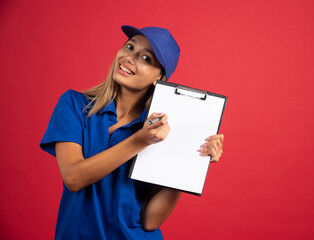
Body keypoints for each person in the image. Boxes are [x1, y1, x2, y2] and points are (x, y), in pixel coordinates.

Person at [40, 25, 224, 240]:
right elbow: (73, 178)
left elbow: (150, 221)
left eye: (146, 58)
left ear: (159, 78)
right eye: (129, 47)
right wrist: (141, 140)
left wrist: (190, 164)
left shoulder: (161, 130)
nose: (129, 58)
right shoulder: (75, 105)